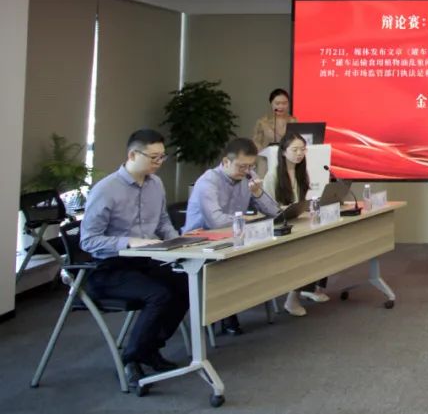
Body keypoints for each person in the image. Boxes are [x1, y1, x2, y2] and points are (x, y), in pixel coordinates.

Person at [80, 129, 188, 389]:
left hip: (144, 261)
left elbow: (163, 223)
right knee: (159, 294)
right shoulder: (106, 189)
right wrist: (128, 241)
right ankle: (132, 359)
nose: (159, 163)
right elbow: (88, 240)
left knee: (186, 284)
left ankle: (150, 348)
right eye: (153, 157)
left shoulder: (156, 184)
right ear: (132, 155)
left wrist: (177, 244)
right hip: (108, 268)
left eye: (162, 157)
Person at [183, 137, 280, 334]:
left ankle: (228, 310)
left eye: (251, 166)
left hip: (233, 240)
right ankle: (221, 313)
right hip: (199, 246)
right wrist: (246, 219)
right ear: (226, 161)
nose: (247, 171)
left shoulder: (248, 176)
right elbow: (216, 222)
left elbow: (275, 211)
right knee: (234, 265)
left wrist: (258, 193)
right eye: (242, 166)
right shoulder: (208, 181)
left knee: (262, 258)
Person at [264, 133, 331, 316]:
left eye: (302, 149)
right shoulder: (273, 175)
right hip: (280, 227)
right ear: (283, 152)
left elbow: (299, 202)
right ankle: (292, 299)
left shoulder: (302, 172)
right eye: (295, 150)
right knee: (307, 250)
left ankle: (312, 288)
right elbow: (268, 209)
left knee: (324, 240)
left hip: (296, 222)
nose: (299, 153)